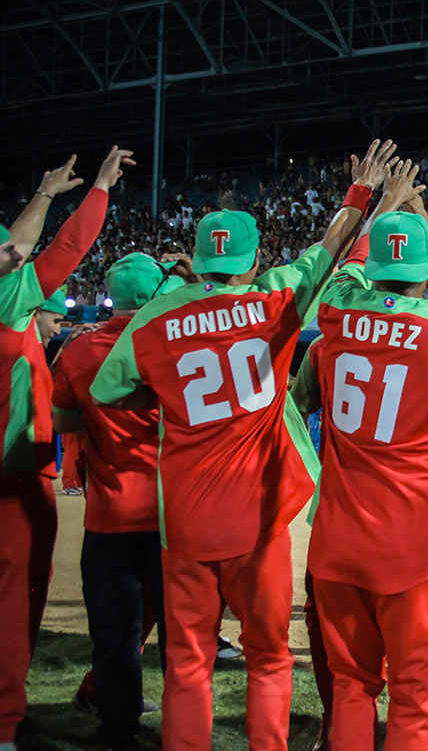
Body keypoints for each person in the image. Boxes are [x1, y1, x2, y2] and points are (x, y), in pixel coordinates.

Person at [91, 139, 397, 751]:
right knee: (267, 656)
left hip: (184, 519)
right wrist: (361, 197)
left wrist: (170, 403)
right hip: (258, 516)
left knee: (186, 663)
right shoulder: (273, 298)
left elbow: (108, 390)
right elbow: (327, 254)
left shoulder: (155, 317)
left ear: (200, 261)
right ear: (254, 262)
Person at [292, 197, 428, 750]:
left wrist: (373, 208)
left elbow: (340, 277)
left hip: (336, 536)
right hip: (413, 541)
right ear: (427, 272)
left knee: (352, 686)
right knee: (410, 691)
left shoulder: (333, 325)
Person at [1, 147, 133, 751]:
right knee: (13, 602)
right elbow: (59, 250)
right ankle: (3, 722)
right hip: (13, 481)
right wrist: (89, 189)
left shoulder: (21, 312)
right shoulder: (11, 307)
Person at [51, 253, 181, 750]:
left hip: (109, 514)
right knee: (181, 635)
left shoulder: (77, 350)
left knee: (114, 633)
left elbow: (66, 427)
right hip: (172, 514)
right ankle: (183, 727)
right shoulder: (170, 342)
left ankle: (117, 730)